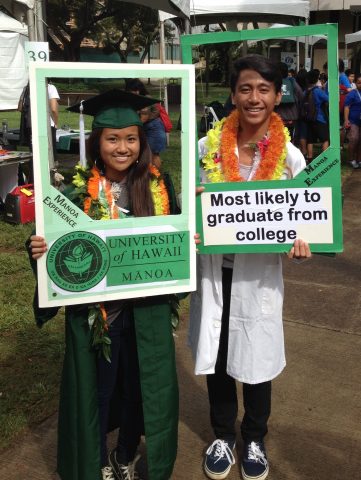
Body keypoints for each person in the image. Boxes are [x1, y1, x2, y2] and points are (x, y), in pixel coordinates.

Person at [28, 90, 180, 480]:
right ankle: (96, 462)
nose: (123, 147)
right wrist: (41, 251)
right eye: (112, 139)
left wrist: (185, 245)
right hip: (102, 319)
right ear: (97, 142)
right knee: (99, 392)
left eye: (131, 138)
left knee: (138, 392)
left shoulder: (159, 187)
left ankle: (126, 454)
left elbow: (175, 241)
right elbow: (62, 258)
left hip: (145, 311)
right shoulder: (76, 196)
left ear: (141, 142)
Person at [189, 55, 311, 480]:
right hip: (214, 271)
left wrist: (301, 238)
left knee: (256, 357)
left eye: (263, 89)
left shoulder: (292, 158)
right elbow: (189, 207)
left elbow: (307, 216)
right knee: (219, 358)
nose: (254, 97)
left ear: (278, 97)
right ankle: (222, 434)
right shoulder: (206, 149)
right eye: (245, 88)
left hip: (258, 277)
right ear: (233, 94)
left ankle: (255, 438)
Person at [303, 69, 329, 163]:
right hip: (320, 118)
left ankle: (309, 159)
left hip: (309, 118)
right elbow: (328, 99)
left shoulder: (306, 91)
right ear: (316, 80)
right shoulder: (317, 91)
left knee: (310, 140)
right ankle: (324, 159)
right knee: (325, 139)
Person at [274, 62, 303, 141]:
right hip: (291, 117)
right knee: (289, 140)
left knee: (277, 140)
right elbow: (301, 95)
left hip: (277, 117)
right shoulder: (292, 82)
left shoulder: (273, 82)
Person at [344, 74, 361, 169]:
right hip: (353, 120)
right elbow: (346, 107)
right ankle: (351, 159)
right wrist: (346, 120)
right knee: (354, 139)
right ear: (355, 83)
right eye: (359, 83)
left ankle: (359, 159)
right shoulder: (352, 94)